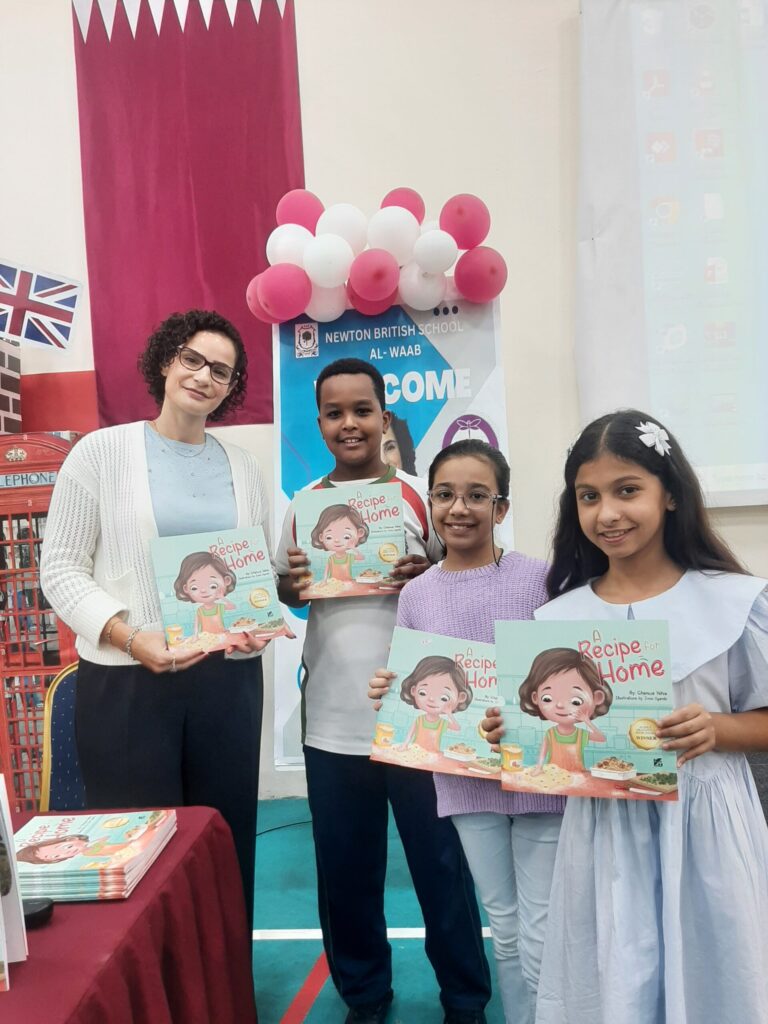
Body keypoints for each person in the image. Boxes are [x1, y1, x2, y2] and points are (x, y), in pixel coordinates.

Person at [483, 410, 768, 1023]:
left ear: (671, 494)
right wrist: (514, 730)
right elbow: (552, 735)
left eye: (627, 490)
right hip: (604, 833)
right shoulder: (560, 618)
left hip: (705, 827)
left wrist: (719, 729)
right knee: (614, 977)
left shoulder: (733, 600)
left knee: (716, 972)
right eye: (589, 496)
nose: (607, 513)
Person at [40, 309, 272, 928]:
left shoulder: (244, 467)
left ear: (231, 387)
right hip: (128, 682)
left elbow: (253, 572)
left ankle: (225, 976)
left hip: (227, 682)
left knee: (224, 842)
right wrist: (127, 636)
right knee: (137, 848)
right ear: (166, 360)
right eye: (192, 359)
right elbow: (59, 569)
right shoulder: (100, 453)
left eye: (220, 370)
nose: (203, 376)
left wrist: (258, 620)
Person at [276, 359, 492, 1024]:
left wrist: (427, 568)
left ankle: (465, 999)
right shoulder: (302, 506)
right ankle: (365, 995)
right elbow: (285, 592)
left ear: (383, 416)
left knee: (442, 866)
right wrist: (290, 584)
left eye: (362, 410)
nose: (350, 424)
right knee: (346, 872)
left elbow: (466, 575)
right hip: (334, 719)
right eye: (335, 413)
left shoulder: (420, 496)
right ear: (319, 423)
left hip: (424, 717)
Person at [369, 440, 564, 1024]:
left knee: (543, 929)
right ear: (429, 502)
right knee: (503, 925)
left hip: (540, 778)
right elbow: (417, 686)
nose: (459, 508)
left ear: (501, 507)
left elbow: (567, 673)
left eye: (477, 495)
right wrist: (392, 692)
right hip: (465, 782)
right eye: (445, 494)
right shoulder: (416, 594)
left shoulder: (540, 580)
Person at [518, 648, 611, 774]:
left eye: (576, 701)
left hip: (577, 776)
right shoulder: (550, 734)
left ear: (597, 698)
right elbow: (542, 754)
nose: (560, 705)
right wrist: (539, 768)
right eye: (547, 699)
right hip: (553, 776)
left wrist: (586, 720)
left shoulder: (580, 735)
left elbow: (601, 738)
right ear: (535, 698)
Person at [174, 551, 237, 635]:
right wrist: (195, 636)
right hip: (206, 638)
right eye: (194, 588)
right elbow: (196, 626)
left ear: (226, 581)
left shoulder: (219, 607)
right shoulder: (200, 610)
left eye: (213, 586)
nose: (203, 590)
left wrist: (222, 597)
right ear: (186, 589)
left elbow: (232, 607)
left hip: (221, 635)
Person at [309, 503, 369, 582]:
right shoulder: (331, 559)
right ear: (321, 537)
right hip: (333, 583)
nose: (337, 540)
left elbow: (361, 557)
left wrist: (353, 548)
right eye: (329, 537)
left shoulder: (349, 557)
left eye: (346, 537)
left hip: (348, 583)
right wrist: (324, 580)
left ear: (359, 533)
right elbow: (327, 570)